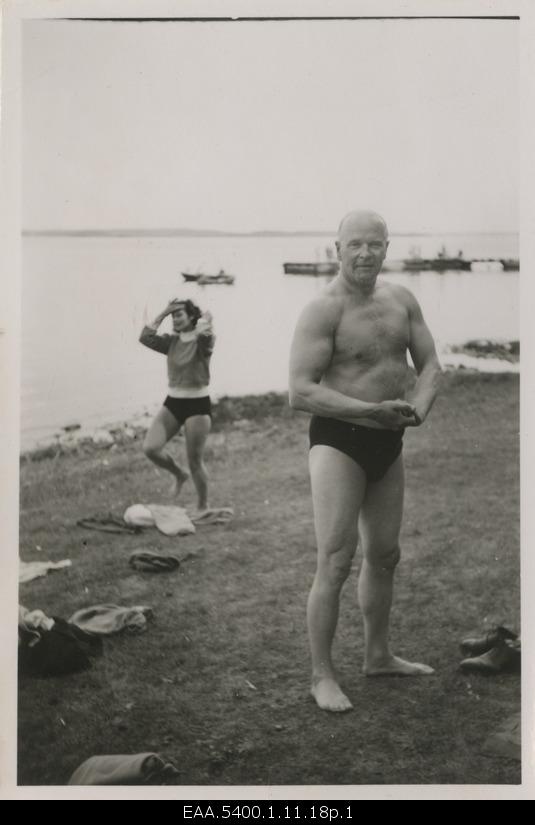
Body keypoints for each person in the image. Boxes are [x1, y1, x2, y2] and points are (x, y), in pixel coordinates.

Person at [289, 210, 442, 712]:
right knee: (335, 560)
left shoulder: (401, 300)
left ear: (386, 247)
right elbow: (301, 391)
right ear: (336, 249)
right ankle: (321, 676)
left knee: (385, 555)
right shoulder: (323, 310)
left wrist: (418, 407)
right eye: (354, 245)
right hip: (339, 441)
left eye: (373, 244)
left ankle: (378, 656)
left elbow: (430, 366)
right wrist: (373, 410)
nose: (364, 254)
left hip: (388, 440)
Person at [139, 298, 215, 513]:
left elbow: (206, 337)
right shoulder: (171, 342)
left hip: (197, 405)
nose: (175, 319)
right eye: (173, 316)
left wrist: (205, 322)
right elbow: (145, 337)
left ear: (191, 317)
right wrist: (164, 312)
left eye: (179, 314)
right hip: (173, 402)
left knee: (195, 461)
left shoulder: (202, 342)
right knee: (151, 448)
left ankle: (203, 506)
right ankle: (179, 474)